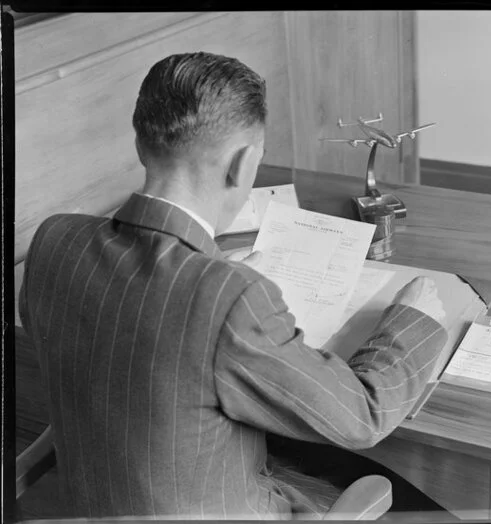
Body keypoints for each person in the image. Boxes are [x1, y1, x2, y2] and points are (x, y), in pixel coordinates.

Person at [19, 52, 450, 520]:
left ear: (141, 146)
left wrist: (206, 270)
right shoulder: (230, 299)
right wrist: (413, 319)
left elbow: (130, 339)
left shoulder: (55, 241)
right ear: (243, 165)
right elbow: (361, 417)